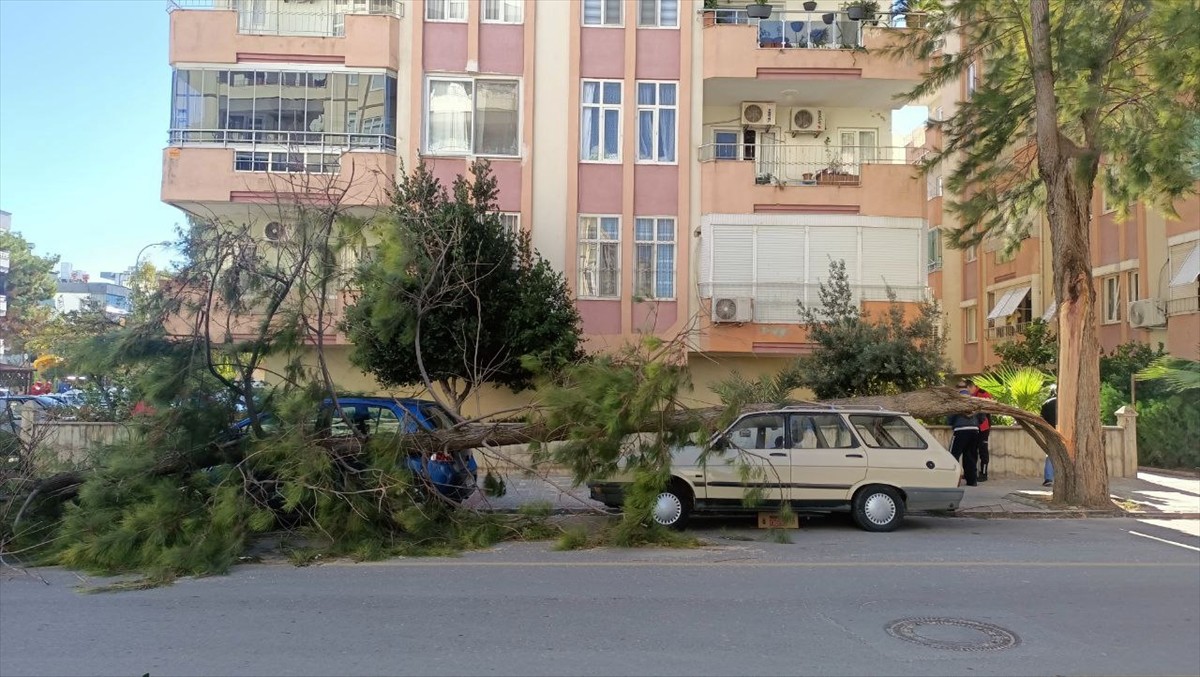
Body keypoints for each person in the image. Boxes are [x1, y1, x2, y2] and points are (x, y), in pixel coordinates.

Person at [948, 380, 984, 486]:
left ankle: (952, 480)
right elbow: (982, 417)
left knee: (953, 455)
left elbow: (950, 417)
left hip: (960, 430)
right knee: (971, 456)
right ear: (967, 388)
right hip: (974, 430)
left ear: (957, 389)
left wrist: (952, 423)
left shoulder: (956, 401)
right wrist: (976, 423)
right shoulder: (975, 400)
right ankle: (972, 481)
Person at [969, 382, 993, 481]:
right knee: (972, 450)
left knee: (983, 451)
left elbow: (989, 408)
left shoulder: (983, 393)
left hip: (983, 427)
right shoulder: (969, 395)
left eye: (968, 389)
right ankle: (972, 472)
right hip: (973, 427)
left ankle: (983, 473)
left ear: (972, 387)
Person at [1039, 385, 1057, 487]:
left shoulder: (1047, 403)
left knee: (1050, 454)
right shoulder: (1066, 403)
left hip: (1050, 431)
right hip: (1064, 431)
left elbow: (1042, 419)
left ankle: (1048, 478)